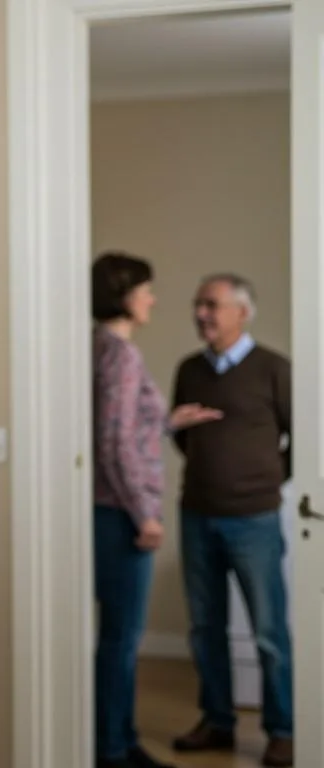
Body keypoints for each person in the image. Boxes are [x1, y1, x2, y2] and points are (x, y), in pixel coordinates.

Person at [89, 252, 221, 768]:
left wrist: (166, 419)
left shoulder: (101, 348)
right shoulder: (120, 354)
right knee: (122, 640)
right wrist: (145, 513)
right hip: (121, 515)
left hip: (109, 509)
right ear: (124, 293)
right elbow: (114, 443)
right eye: (146, 289)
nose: (153, 299)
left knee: (117, 639)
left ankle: (115, 740)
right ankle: (116, 750)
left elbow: (122, 427)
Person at [169, 273, 293, 767]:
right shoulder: (189, 369)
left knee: (268, 630)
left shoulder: (273, 368)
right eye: (198, 303)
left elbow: (301, 435)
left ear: (243, 311)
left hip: (255, 519)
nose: (202, 313)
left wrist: (264, 480)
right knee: (205, 627)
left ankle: (282, 729)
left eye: (212, 304)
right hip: (197, 514)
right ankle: (217, 721)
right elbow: (183, 435)